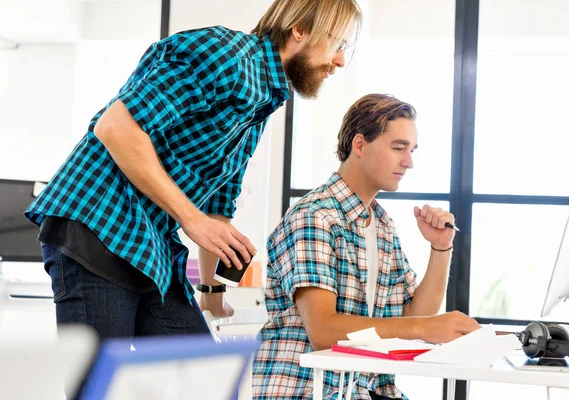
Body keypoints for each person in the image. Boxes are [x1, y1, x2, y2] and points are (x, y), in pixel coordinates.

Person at [23, 0, 363, 340]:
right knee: (97, 389)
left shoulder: (262, 102)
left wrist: (212, 294)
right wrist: (190, 218)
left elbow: (216, 209)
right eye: (337, 44)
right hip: (99, 223)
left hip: (149, 243)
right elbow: (117, 128)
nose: (340, 60)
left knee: (200, 374)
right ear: (300, 29)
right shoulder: (224, 55)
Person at [252, 93, 481, 399]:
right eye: (399, 148)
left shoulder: (381, 224)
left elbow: (414, 315)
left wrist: (440, 248)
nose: (409, 161)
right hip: (308, 390)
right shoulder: (315, 218)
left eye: (411, 150)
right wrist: (426, 328)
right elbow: (323, 331)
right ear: (359, 145)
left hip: (363, 389)